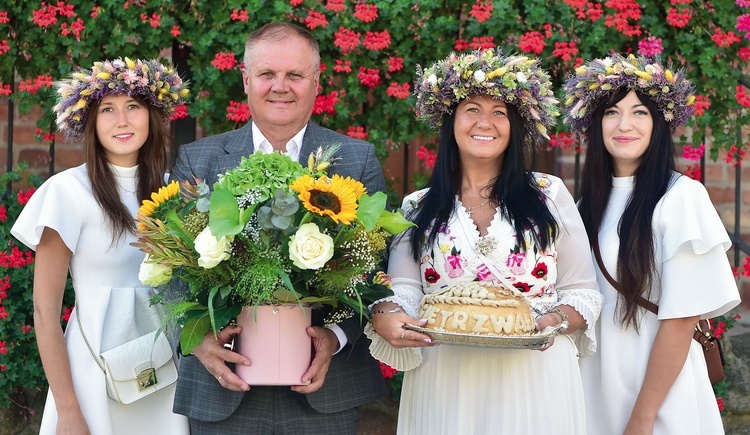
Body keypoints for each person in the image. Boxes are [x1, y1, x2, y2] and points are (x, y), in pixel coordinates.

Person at [366, 48, 604, 434]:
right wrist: (388, 316)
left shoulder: (549, 195)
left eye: (499, 112)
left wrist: (548, 323)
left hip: (535, 380)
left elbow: (583, 293)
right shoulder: (417, 207)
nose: (485, 122)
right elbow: (405, 289)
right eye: (472, 109)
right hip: (445, 381)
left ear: (514, 125)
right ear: (451, 120)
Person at [169, 22, 387, 434]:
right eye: (268, 74)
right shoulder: (199, 160)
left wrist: (336, 336)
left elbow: (374, 269)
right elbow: (171, 270)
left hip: (324, 391)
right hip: (224, 390)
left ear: (317, 82)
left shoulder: (357, 161)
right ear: (247, 80)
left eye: (295, 75)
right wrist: (195, 340)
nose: (280, 87)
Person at [10, 58, 190, 434]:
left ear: (152, 116)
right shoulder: (68, 192)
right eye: (107, 110)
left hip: (165, 371)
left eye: (133, 107)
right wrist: (69, 409)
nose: (121, 121)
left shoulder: (177, 193)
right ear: (90, 123)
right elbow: (45, 311)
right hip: (92, 374)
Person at [564, 53, 741, 434]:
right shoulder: (585, 204)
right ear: (596, 124)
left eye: (640, 112)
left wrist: (643, 418)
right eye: (612, 112)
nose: (624, 124)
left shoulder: (681, 197)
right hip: (593, 385)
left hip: (661, 396)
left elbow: (681, 319)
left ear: (659, 123)